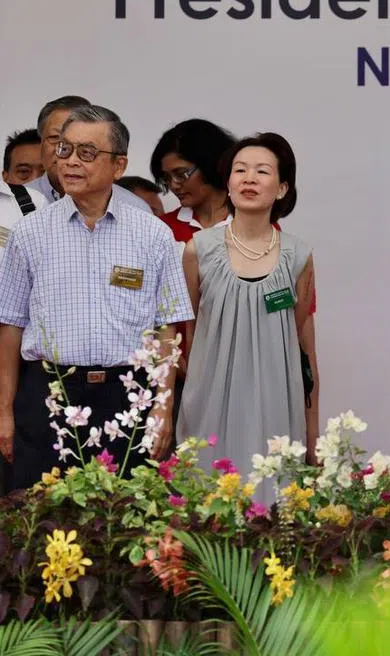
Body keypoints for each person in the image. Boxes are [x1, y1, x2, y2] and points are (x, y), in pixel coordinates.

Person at [0, 105, 192, 491]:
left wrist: (163, 406)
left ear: (118, 166)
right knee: (42, 522)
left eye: (87, 153)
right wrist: (4, 409)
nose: (70, 162)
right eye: (65, 150)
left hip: (127, 397)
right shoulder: (30, 233)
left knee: (124, 525)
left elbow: (169, 328)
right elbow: (10, 326)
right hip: (48, 394)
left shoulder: (152, 235)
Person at [177, 133, 316, 505]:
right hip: (211, 397)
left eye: (262, 171)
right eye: (240, 170)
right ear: (228, 182)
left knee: (274, 505)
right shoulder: (198, 249)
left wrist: (313, 429)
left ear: (282, 188)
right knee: (211, 505)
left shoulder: (298, 254)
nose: (249, 178)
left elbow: (299, 333)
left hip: (276, 400)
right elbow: (185, 329)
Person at [28, 96, 152, 213]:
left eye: (85, 147)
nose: (71, 157)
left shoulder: (135, 209)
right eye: (56, 138)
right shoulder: (14, 202)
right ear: (40, 144)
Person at [150, 119, 235, 250]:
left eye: (181, 174)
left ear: (210, 165)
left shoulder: (256, 224)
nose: (173, 185)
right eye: (166, 177)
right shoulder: (162, 229)